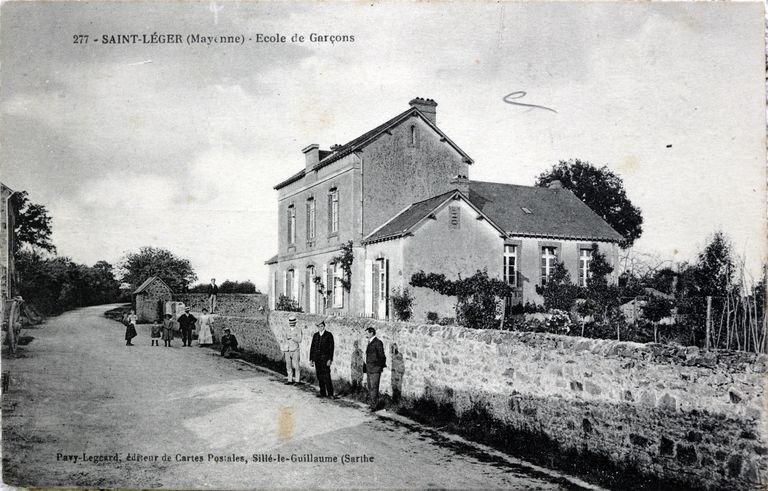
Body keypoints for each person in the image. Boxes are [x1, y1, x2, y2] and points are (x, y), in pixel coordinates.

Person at [309, 320, 335, 398]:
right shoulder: (316, 335)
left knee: (327, 376)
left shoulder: (328, 335)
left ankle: (330, 393)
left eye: (321, 326)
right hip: (317, 359)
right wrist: (311, 359)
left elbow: (331, 348)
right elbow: (312, 347)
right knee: (319, 375)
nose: (320, 328)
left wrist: (330, 359)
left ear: (324, 326)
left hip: (325, 359)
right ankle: (322, 392)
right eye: (318, 326)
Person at [363, 327, 387, 411]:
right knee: (370, 387)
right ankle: (372, 403)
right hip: (369, 368)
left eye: (367, 333)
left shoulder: (378, 342)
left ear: (371, 333)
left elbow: (382, 356)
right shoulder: (370, 342)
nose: (366, 335)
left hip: (375, 369)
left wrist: (379, 366)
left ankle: (374, 405)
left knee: (374, 387)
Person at [281, 315, 303, 384]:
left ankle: (297, 380)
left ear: (295, 323)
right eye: (290, 323)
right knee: (288, 365)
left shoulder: (298, 330)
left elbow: (299, 340)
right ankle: (289, 379)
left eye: (293, 323)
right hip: (287, 350)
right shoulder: (286, 329)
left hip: (295, 349)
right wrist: (284, 349)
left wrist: (293, 337)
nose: (291, 324)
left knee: (296, 365)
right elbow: (284, 339)